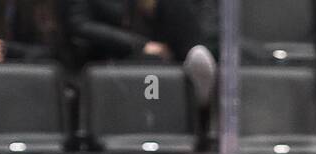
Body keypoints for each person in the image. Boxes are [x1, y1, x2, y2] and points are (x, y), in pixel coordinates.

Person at [64, 0, 215, 106]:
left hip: (161, 46)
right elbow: (79, 24)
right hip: (111, 53)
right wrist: (138, 44)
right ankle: (198, 93)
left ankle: (196, 68)